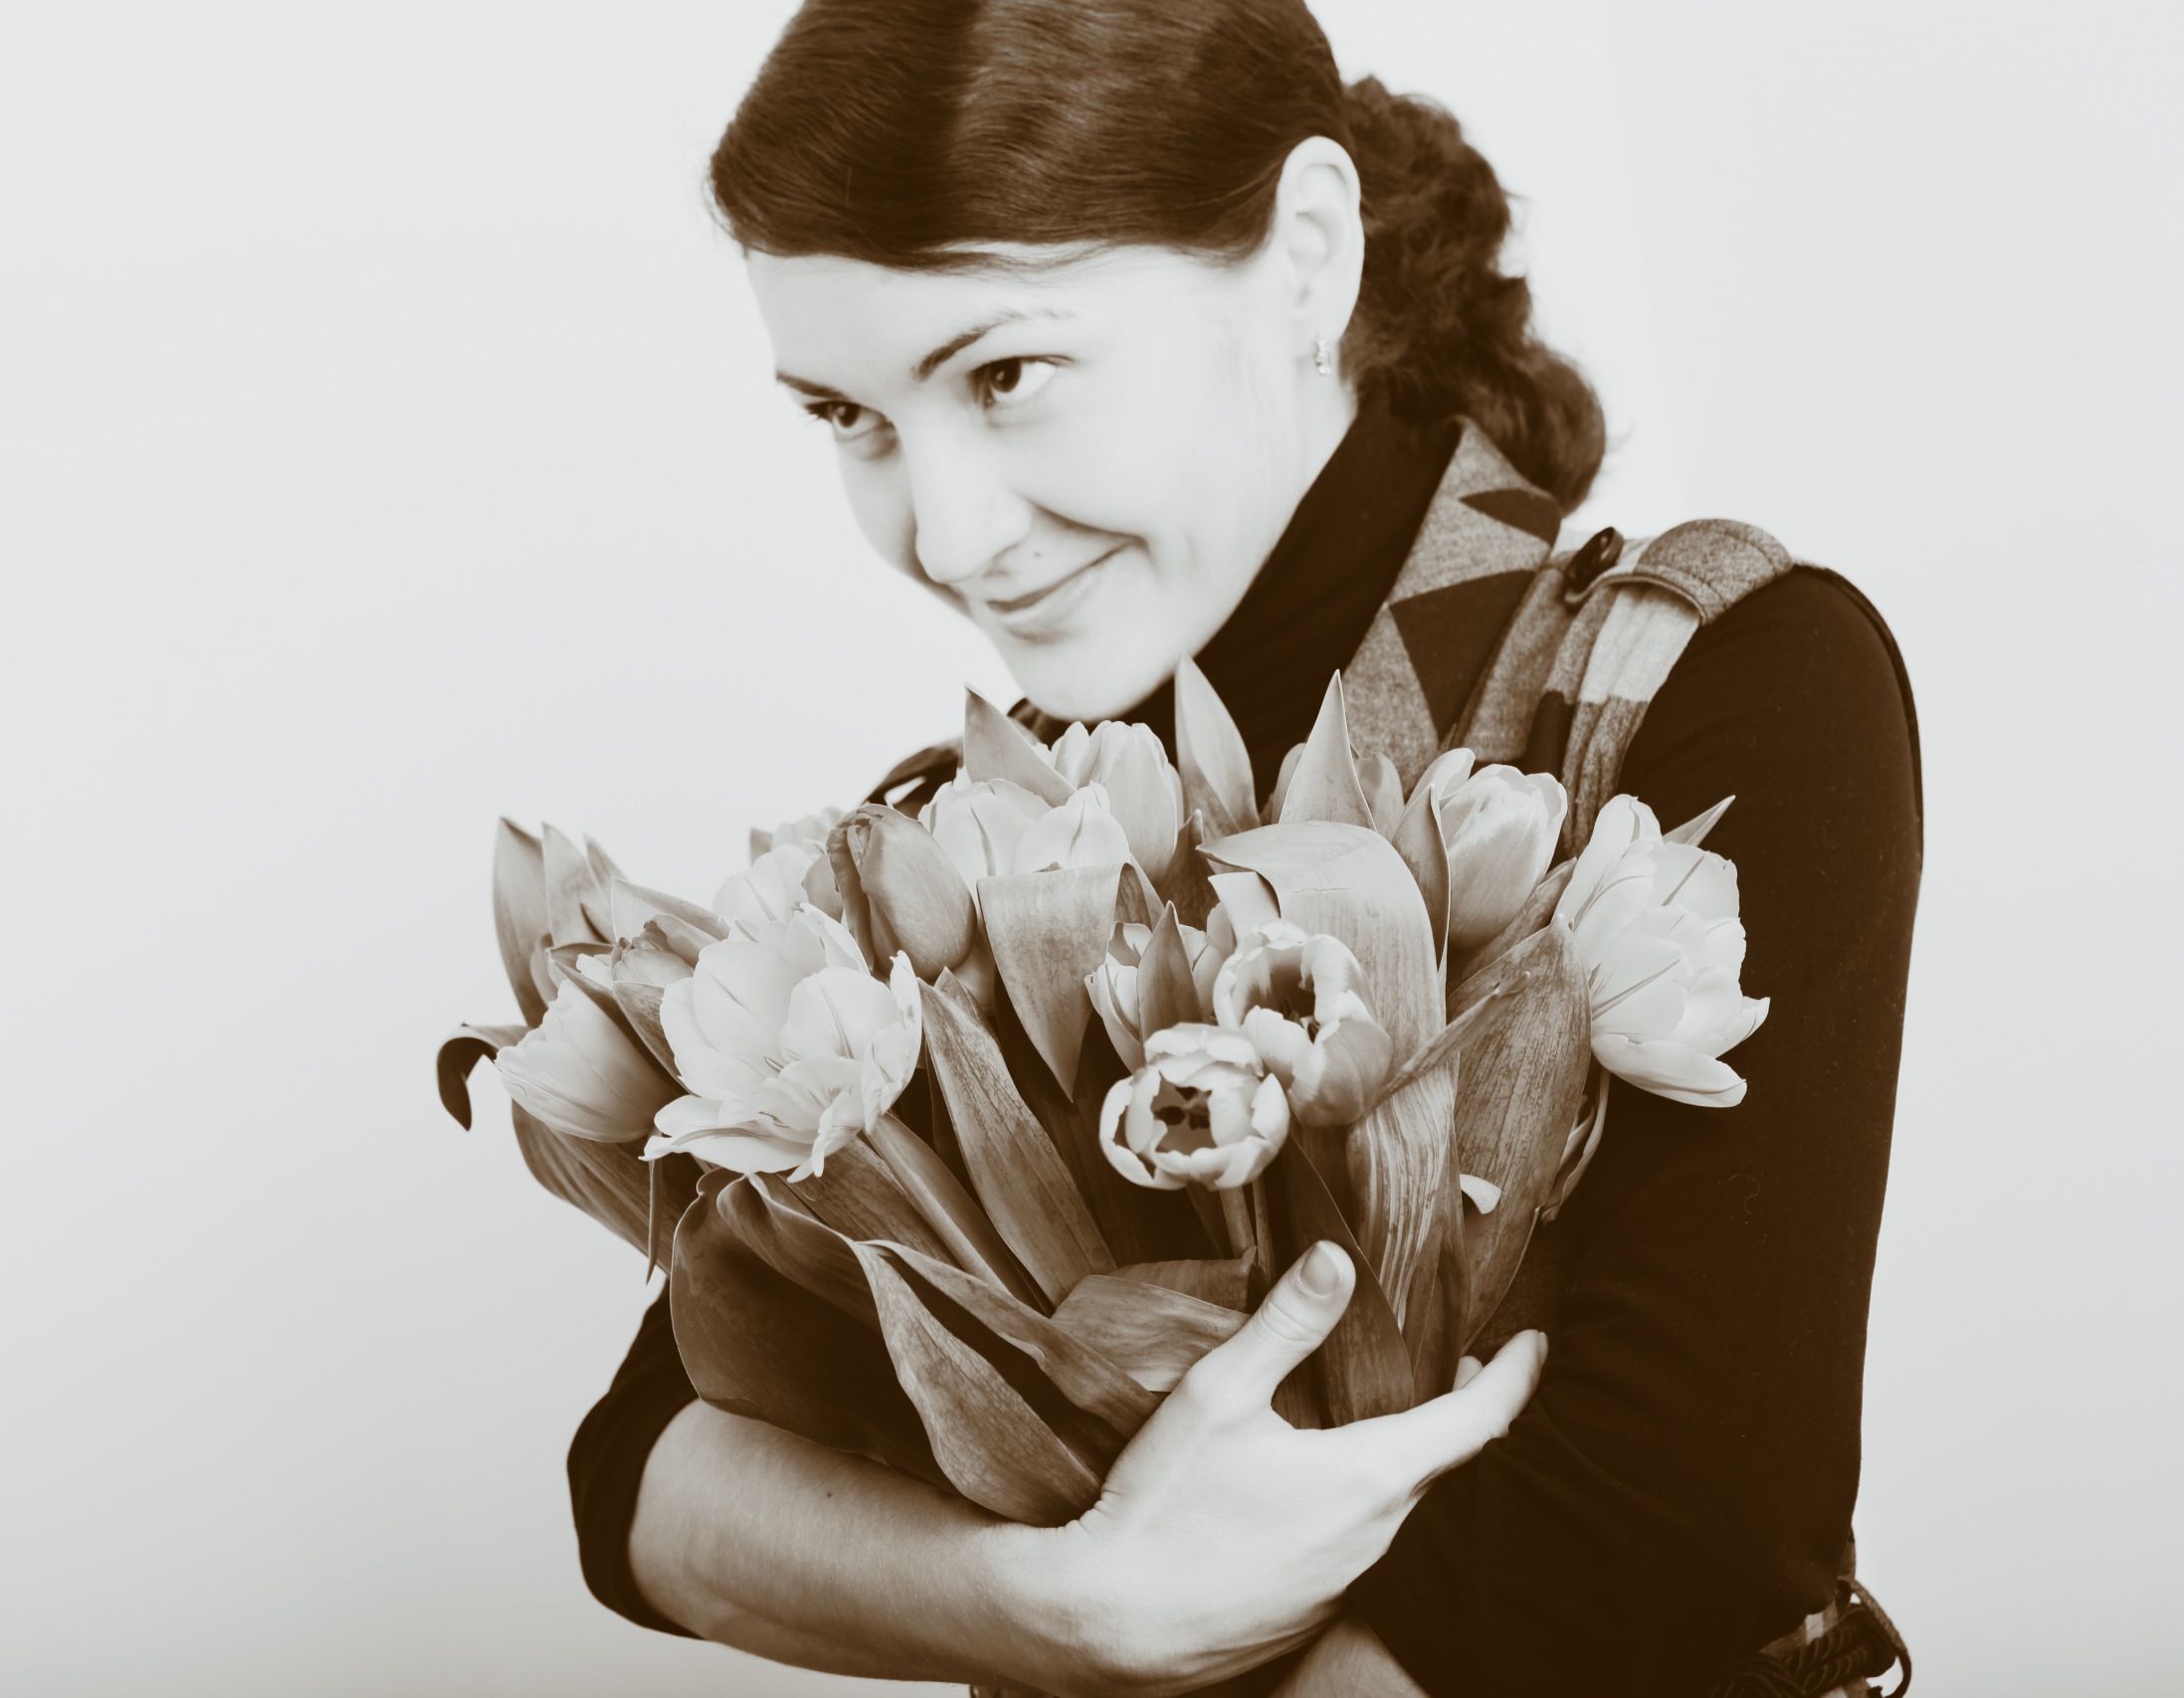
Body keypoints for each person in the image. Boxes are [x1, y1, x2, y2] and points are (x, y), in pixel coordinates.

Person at [565, 2, 1921, 1694]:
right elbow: (643, 1473)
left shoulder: (1722, 685)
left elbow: (1671, 1537)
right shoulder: (968, 833)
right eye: (850, 417)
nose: (946, 534)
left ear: (1304, 259)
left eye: (1005, 375)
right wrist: (1072, 1612)